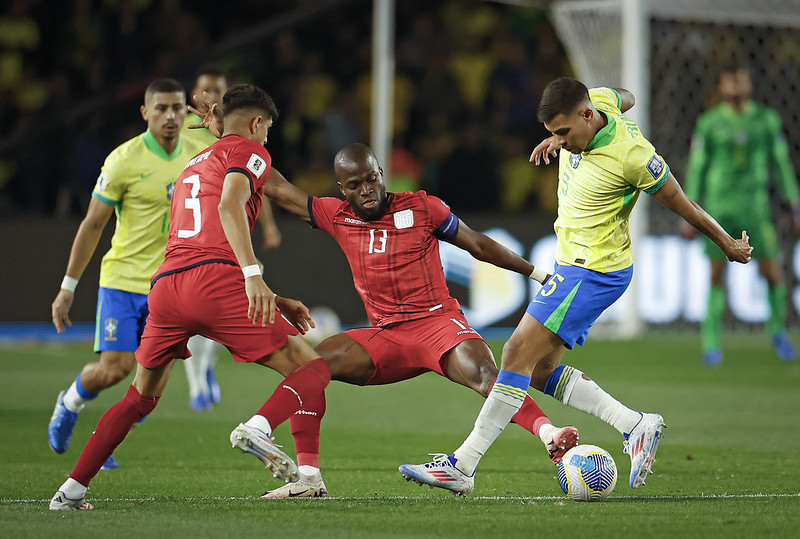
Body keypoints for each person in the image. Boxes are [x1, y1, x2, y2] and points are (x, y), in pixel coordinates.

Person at [399, 77, 752, 496]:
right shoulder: (598, 104)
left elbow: (684, 203)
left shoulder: (634, 156)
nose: (560, 143)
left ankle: (463, 464)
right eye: (553, 134)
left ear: (587, 116)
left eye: (563, 133)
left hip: (593, 268)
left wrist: (727, 242)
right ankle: (634, 424)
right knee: (539, 368)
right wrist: (561, 138)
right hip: (572, 262)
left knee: (513, 353)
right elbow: (627, 96)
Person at [49, 84, 332, 511]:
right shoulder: (251, 151)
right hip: (215, 282)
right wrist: (254, 275)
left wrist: (270, 294)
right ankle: (259, 429)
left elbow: (215, 219)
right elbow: (229, 208)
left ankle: (70, 492)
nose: (267, 140)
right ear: (257, 123)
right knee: (313, 370)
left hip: (166, 287)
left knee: (138, 397)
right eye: (268, 130)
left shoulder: (196, 161)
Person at [257, 144, 579, 498]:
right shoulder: (334, 215)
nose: (366, 189)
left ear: (381, 174)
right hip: (386, 336)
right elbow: (276, 186)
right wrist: (233, 141)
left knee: (485, 374)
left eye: (371, 178)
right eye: (354, 185)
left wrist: (537, 274)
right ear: (341, 189)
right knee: (310, 365)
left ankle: (551, 435)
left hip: (437, 324)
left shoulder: (423, 207)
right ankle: (308, 479)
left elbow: (477, 245)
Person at [48, 79, 208, 469]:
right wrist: (68, 287)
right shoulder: (123, 160)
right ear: (145, 113)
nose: (170, 116)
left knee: (151, 387)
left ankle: (105, 437)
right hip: (123, 280)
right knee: (115, 369)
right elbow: (92, 225)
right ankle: (69, 403)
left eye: (177, 107)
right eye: (161, 109)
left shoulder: (201, 152)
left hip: (171, 285)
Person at [681, 62, 800, 366]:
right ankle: (711, 342)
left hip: (755, 208)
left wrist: (793, 203)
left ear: (750, 85)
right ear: (721, 87)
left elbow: (781, 163)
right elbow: (698, 167)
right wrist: (689, 210)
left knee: (773, 272)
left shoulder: (766, 120)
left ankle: (777, 331)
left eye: (740, 80)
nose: (735, 86)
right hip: (719, 209)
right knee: (716, 276)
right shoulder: (708, 123)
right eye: (729, 81)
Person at [181, 65, 283, 411]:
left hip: (182, 250)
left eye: (219, 92)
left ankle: (203, 372)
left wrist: (266, 226)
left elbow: (247, 185)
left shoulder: (215, 141)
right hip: (199, 240)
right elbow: (229, 200)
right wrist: (251, 270)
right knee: (306, 366)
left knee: (142, 386)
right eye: (206, 90)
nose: (212, 98)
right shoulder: (179, 133)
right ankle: (201, 382)